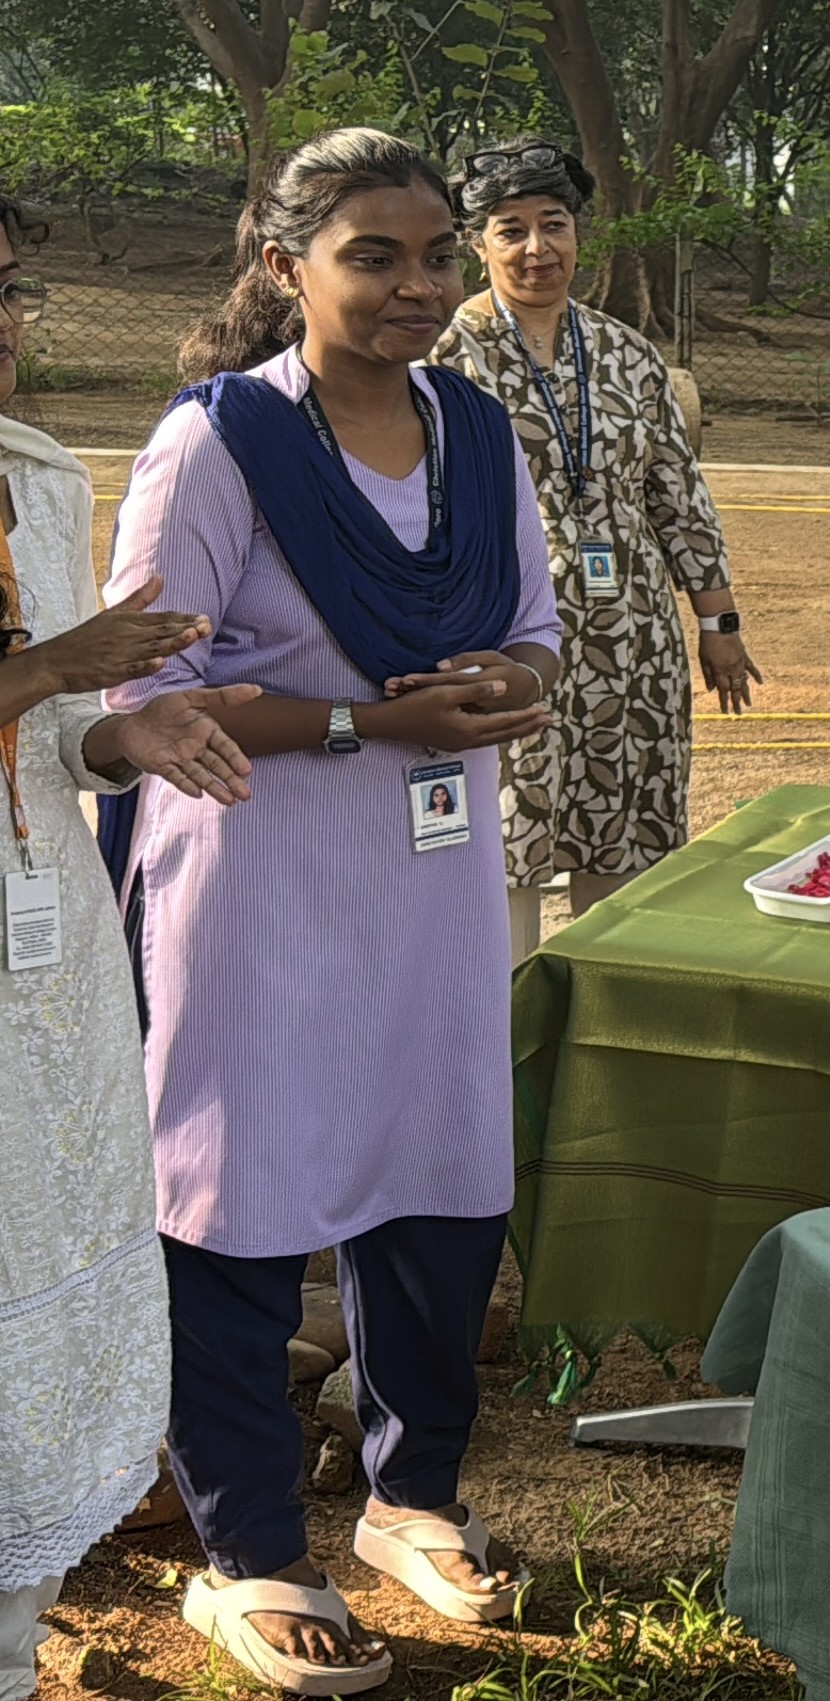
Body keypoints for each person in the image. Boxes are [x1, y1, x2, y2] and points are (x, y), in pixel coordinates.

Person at [106, 127, 564, 1694]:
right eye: (375, 255)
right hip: (257, 876)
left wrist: (514, 683)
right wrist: (379, 723)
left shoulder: (479, 435)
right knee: (242, 1185)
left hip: (432, 878)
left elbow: (537, 638)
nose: (420, 286)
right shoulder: (221, 443)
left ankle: (407, 1496)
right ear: (280, 264)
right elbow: (149, 688)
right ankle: (249, 1548)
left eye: (437, 255)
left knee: (438, 1177)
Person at [0, 191, 261, 1701]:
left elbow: (52, 740)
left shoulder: (37, 476)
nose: (5, 322)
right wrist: (47, 667)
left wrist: (124, 735)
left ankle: (17, 1638)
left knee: (48, 1268)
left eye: (10, 287)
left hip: (47, 974)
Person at [429, 137, 754, 961]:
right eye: (511, 230)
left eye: (554, 224)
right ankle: (498, 1047)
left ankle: (602, 1029)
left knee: (625, 833)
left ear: (580, 234)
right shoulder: (444, 358)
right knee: (506, 835)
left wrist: (717, 624)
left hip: (629, 639)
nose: (537, 249)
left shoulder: (625, 353)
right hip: (503, 634)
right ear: (477, 243)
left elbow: (675, 492)